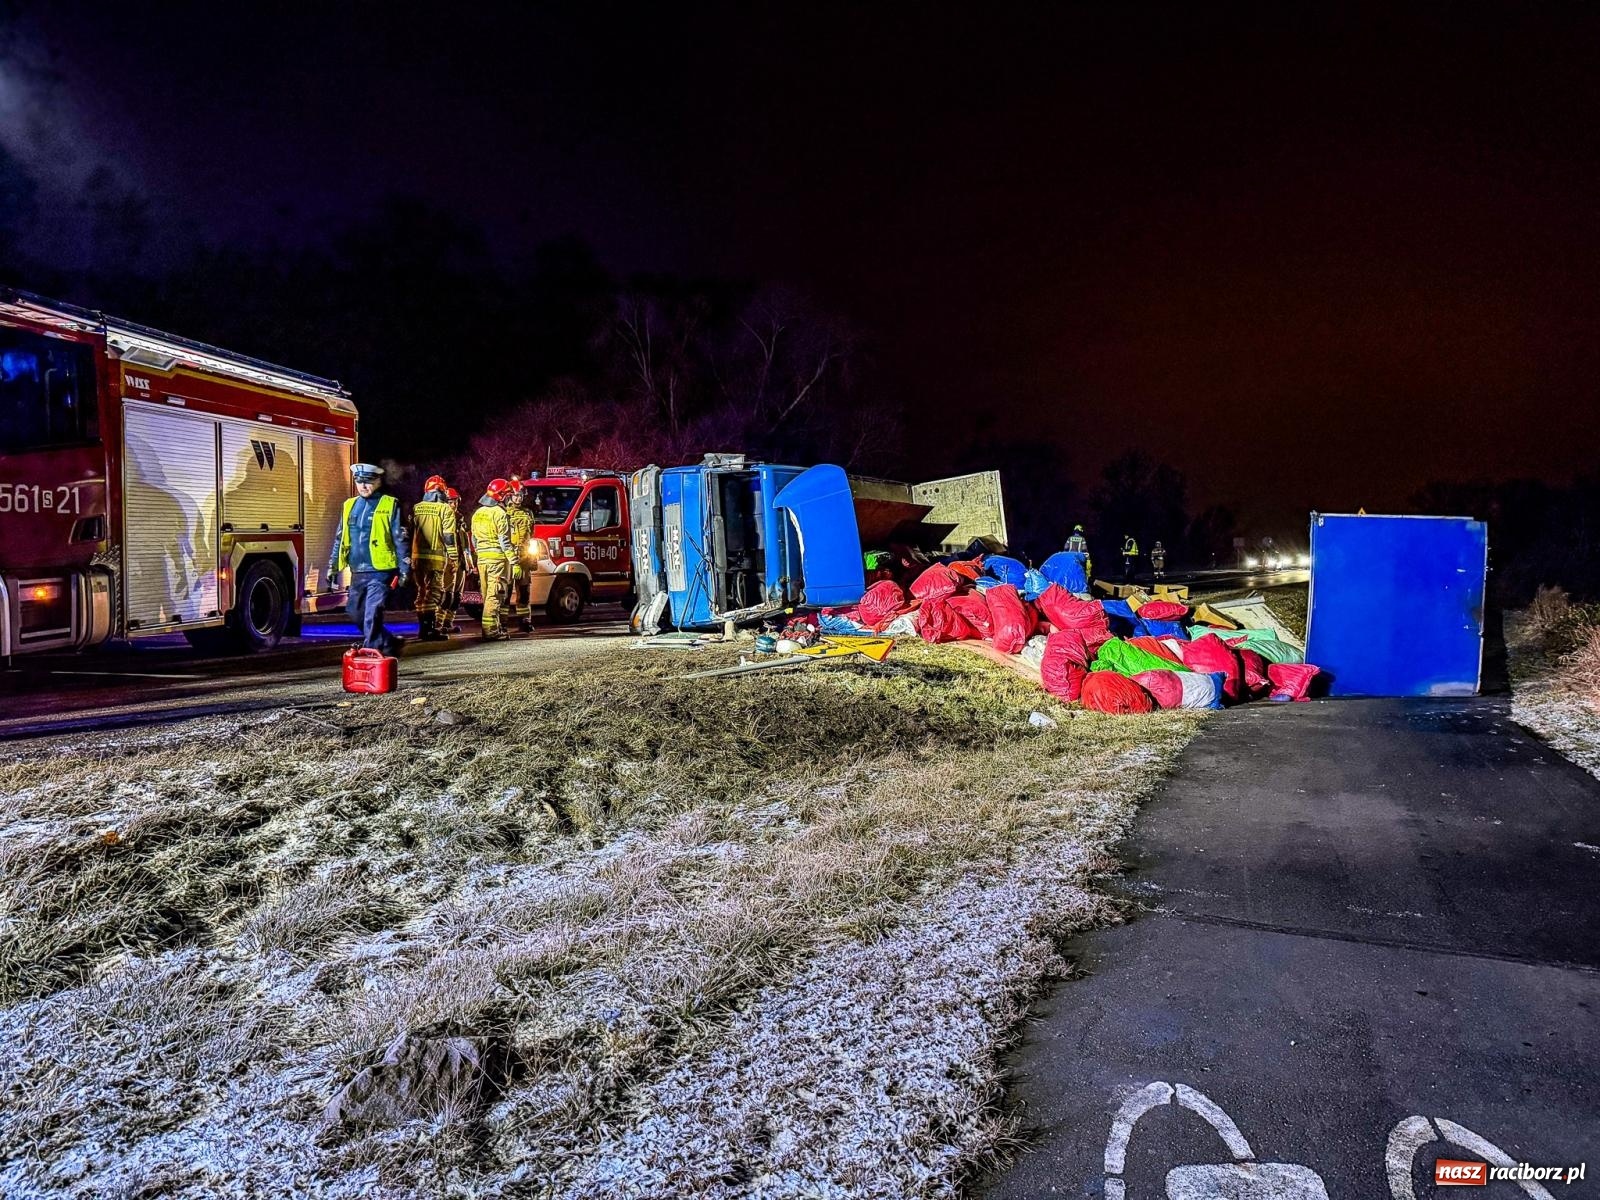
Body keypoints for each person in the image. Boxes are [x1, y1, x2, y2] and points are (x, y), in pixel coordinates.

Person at [328, 462, 409, 655]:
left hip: (381, 571)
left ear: (378, 481)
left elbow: (401, 538)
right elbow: (340, 538)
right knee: (354, 612)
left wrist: (405, 568)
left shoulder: (390, 504)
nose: (363, 486)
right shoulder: (349, 506)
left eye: (368, 482)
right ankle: (389, 642)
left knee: (372, 612)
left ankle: (371, 653)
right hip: (357, 571)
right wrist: (332, 567)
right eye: (359, 481)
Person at [471, 478, 516, 641]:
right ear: (502, 496)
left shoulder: (477, 513)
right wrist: (514, 561)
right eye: (509, 496)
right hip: (497, 560)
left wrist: (480, 554)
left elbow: (474, 540)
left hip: (482, 559)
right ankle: (490, 631)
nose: (510, 499)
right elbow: (504, 542)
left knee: (487, 595)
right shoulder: (500, 514)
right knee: (495, 596)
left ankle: (493, 627)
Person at [410, 474, 453, 641]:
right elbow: (449, 536)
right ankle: (430, 630)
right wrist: (454, 557)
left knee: (421, 592)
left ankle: (423, 629)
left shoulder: (416, 508)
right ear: (441, 492)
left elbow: (409, 532)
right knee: (434, 593)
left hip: (416, 559)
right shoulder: (445, 509)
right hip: (435, 560)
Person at [439, 486, 470, 635]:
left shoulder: (459, 519)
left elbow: (465, 543)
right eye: (450, 501)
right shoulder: (442, 519)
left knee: (457, 596)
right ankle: (438, 624)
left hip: (460, 561)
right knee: (447, 594)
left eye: (455, 501)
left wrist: (468, 561)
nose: (453, 504)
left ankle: (448, 622)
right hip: (448, 561)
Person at [505, 480, 535, 633]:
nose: (518, 498)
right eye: (515, 496)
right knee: (506, 591)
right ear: (509, 496)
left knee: (524, 591)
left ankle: (525, 620)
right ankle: (502, 622)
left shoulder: (528, 513)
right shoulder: (504, 513)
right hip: (509, 558)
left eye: (521, 495)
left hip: (524, 558)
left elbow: (531, 535)